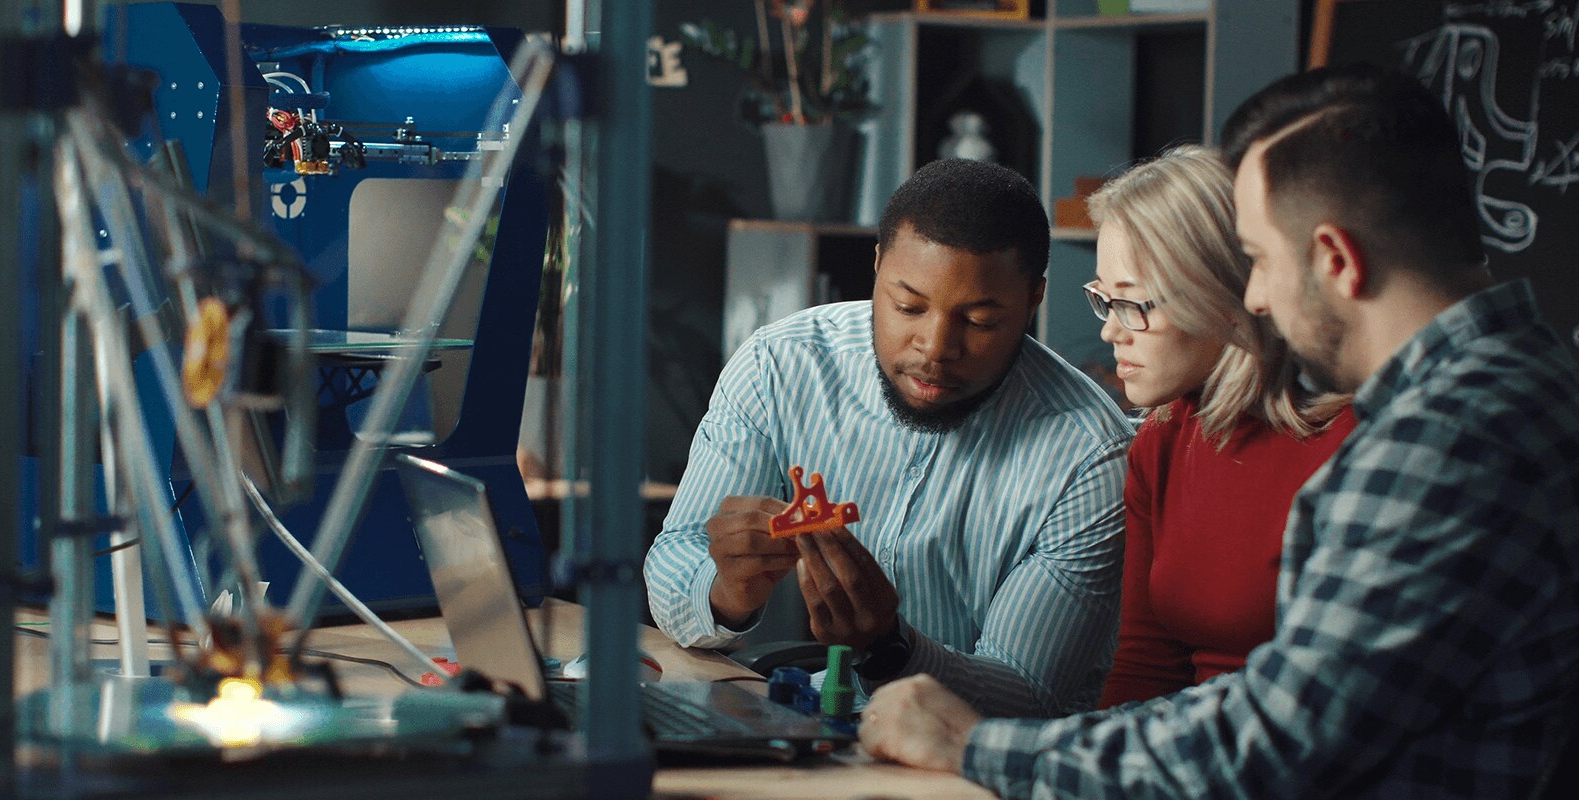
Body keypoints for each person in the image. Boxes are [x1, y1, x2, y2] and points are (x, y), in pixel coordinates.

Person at [858, 64, 1579, 798]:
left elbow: (1275, 743)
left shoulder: (1447, 440)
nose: (1256, 299)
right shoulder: (1516, 386)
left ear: (1336, 260)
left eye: (1260, 262)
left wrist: (976, 746)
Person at [644, 159, 1134, 718]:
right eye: (908, 306)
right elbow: (674, 559)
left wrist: (891, 648)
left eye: (978, 321)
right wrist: (724, 592)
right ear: (876, 266)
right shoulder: (778, 365)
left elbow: (1028, 693)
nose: (935, 347)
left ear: (1033, 301)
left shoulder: (1090, 456)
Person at [1083, 145, 1355, 708]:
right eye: (1103, 300)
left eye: (1134, 305)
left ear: (1222, 295)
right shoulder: (1160, 442)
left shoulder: (1347, 445)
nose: (1112, 332)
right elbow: (1144, 666)